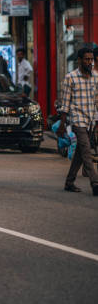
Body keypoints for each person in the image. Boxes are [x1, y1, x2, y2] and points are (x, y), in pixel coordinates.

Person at [57, 47, 98, 195]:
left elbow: (97, 102)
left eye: (91, 59)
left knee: (80, 153)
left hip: (91, 120)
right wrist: (62, 124)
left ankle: (69, 182)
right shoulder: (71, 78)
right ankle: (95, 182)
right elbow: (65, 103)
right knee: (86, 149)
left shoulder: (96, 78)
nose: (89, 62)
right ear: (79, 60)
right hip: (77, 120)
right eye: (86, 59)